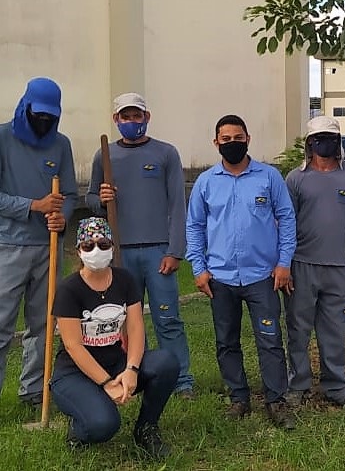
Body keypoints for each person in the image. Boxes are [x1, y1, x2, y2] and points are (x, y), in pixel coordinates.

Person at [0, 77, 78, 440]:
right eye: (39, 115)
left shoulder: (61, 145)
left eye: (51, 117)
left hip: (48, 248)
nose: (44, 123)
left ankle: (34, 391)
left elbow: (71, 194)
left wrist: (62, 217)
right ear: (25, 107)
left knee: (43, 324)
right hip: (7, 248)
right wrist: (34, 206)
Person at [185, 114, 297, 429]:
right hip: (220, 278)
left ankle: (276, 401)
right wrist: (199, 267)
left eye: (238, 138)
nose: (232, 143)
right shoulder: (206, 183)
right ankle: (239, 399)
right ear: (216, 142)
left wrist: (284, 262)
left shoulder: (269, 177)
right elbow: (194, 226)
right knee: (226, 341)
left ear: (248, 139)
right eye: (226, 139)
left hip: (262, 276)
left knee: (270, 339)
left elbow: (286, 219)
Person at [86, 92, 194, 398]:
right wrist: (101, 199)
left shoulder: (165, 154)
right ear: (116, 120)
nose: (132, 122)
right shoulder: (104, 156)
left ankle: (181, 379)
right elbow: (91, 199)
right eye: (126, 117)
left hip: (159, 251)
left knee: (168, 317)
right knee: (124, 321)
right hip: (119, 253)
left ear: (146, 117)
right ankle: (131, 376)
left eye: (137, 116)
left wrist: (175, 250)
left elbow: (177, 204)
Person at [50, 218, 178, 459]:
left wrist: (131, 369)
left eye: (103, 243)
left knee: (166, 363)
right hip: (75, 373)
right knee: (105, 425)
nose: (96, 250)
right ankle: (79, 428)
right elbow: (73, 346)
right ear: (79, 250)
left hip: (117, 363)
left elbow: (137, 327)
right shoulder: (69, 290)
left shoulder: (125, 280)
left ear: (112, 247)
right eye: (88, 246)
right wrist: (107, 383)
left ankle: (146, 427)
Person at [284, 116, 345, 410]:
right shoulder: (296, 179)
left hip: (338, 269)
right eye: (319, 138)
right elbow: (285, 225)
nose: (326, 144)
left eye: (332, 139)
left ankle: (336, 387)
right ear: (310, 143)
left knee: (336, 331)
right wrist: (283, 266)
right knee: (298, 330)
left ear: (339, 143)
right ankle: (298, 385)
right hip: (301, 266)